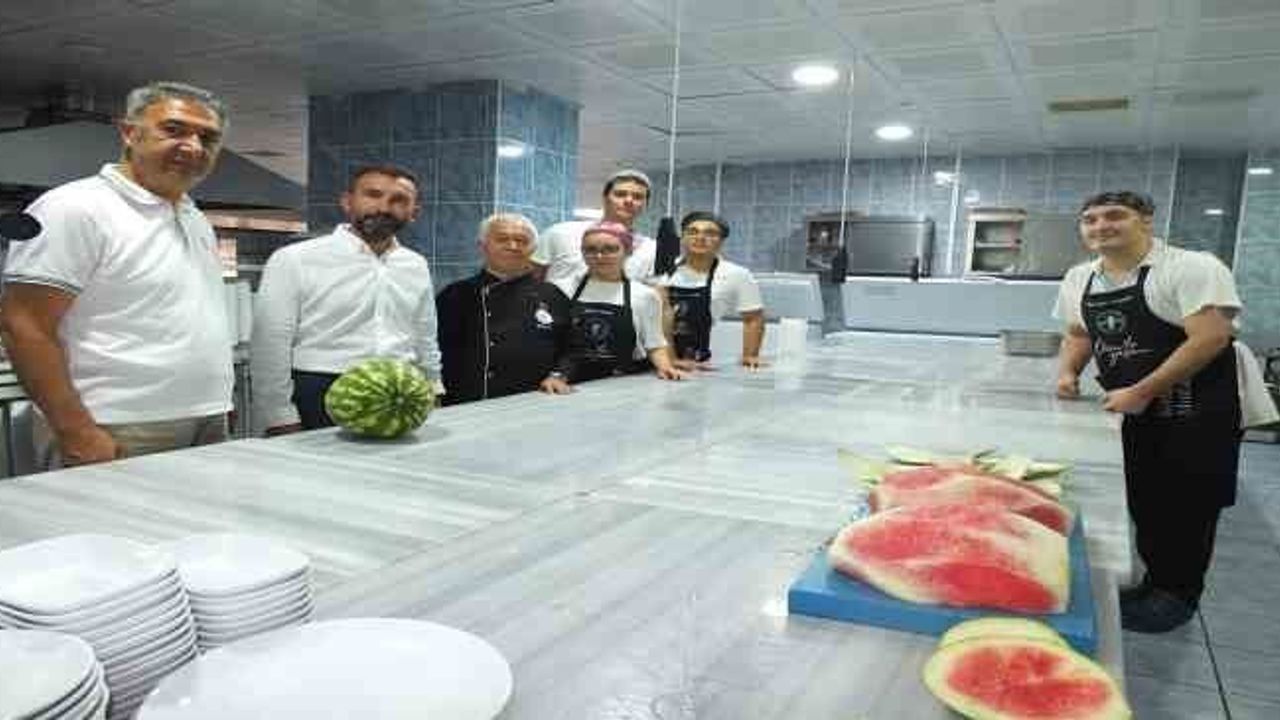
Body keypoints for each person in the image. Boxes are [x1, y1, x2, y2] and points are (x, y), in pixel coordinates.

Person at [1054, 190, 1278, 633]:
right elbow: (1079, 333)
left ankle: (1178, 597)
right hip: (1136, 405)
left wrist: (1142, 390)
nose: (1100, 226)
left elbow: (1210, 337)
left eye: (1114, 216)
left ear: (1145, 220)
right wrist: (1068, 372)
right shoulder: (1082, 277)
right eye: (1090, 219)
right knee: (1147, 497)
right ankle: (1155, 585)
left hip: (1200, 404)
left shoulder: (1191, 267)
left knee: (1189, 503)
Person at [0, 81, 233, 468]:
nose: (193, 146)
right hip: (113, 425)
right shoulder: (75, 208)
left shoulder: (193, 216)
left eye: (207, 138)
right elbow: (24, 325)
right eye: (174, 130)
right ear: (129, 132)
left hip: (206, 418)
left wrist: (217, 404)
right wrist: (76, 431)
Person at [251, 165, 442, 434]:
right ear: (347, 201)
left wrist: (433, 386)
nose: (384, 207)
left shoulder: (415, 264)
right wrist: (278, 415)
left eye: (399, 200)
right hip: (319, 391)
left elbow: (424, 335)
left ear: (414, 212)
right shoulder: (295, 259)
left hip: (401, 391)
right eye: (373, 195)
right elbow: (270, 342)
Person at [435, 213, 573, 405]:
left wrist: (559, 374)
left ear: (533, 249)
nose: (512, 246)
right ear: (483, 246)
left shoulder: (552, 295)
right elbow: (434, 348)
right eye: (502, 239)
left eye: (521, 241)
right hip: (468, 402)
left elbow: (572, 346)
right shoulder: (456, 294)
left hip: (536, 401)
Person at [552, 222, 684, 383]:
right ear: (582, 252)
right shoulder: (561, 288)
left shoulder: (645, 295)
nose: (599, 256)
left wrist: (666, 367)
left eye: (610, 249)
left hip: (624, 381)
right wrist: (555, 375)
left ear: (628, 251)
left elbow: (654, 343)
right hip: (571, 379)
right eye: (591, 250)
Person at [658, 211, 766, 370]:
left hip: (697, 364)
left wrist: (750, 356)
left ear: (721, 241)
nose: (700, 237)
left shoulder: (737, 274)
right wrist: (668, 359)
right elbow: (653, 319)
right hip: (652, 357)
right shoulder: (661, 271)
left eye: (710, 233)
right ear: (682, 237)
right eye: (692, 232)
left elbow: (753, 318)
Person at [534, 169, 659, 284]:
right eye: (620, 194)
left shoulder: (651, 250)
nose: (629, 201)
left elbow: (654, 294)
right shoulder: (560, 233)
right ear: (605, 198)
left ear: (645, 205)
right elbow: (533, 279)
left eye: (638, 197)